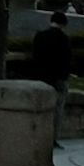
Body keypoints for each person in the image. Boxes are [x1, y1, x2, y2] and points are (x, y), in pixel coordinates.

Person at [29, 10, 75, 138]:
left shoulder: (39, 36)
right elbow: (67, 59)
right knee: (57, 110)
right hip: (57, 78)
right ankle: (52, 137)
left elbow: (34, 57)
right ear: (64, 23)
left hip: (40, 78)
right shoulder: (64, 39)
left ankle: (36, 135)